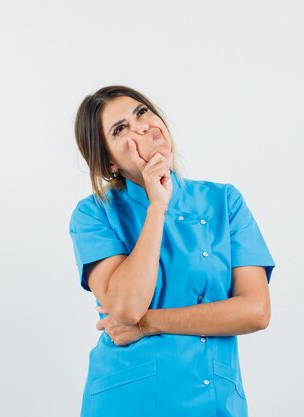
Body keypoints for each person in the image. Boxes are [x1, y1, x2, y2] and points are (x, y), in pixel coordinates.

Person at [68, 85, 276, 417]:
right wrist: (156, 208)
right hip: (128, 400)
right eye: (120, 129)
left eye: (141, 112)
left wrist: (150, 323)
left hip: (215, 400)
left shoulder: (224, 202)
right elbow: (126, 307)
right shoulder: (94, 214)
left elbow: (255, 311)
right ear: (108, 160)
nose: (141, 126)